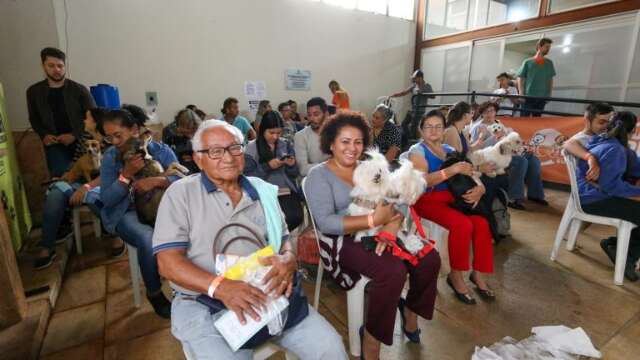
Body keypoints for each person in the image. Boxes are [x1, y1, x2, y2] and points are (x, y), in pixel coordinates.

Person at [153, 119, 348, 359]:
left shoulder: (262, 190)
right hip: (203, 300)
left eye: (235, 147)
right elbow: (168, 263)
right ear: (198, 159)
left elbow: (285, 238)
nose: (228, 157)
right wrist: (221, 287)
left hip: (266, 293)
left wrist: (288, 258)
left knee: (331, 349)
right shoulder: (181, 194)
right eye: (215, 151)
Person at [305, 112, 441, 359]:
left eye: (358, 142)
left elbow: (397, 196)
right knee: (392, 271)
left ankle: (410, 314)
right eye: (345, 141)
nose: (352, 148)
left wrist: (391, 224)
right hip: (341, 240)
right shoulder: (319, 175)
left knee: (429, 258)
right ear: (331, 143)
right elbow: (325, 222)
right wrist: (372, 220)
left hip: (383, 228)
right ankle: (370, 338)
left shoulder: (372, 167)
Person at [98, 109, 179, 318]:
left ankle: (185, 284)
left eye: (118, 135)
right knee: (146, 237)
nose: (114, 142)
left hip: (160, 208)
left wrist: (158, 180)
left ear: (134, 130)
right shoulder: (110, 158)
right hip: (125, 211)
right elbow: (107, 199)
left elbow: (184, 181)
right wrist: (125, 176)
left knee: (189, 228)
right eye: (109, 137)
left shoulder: (160, 151)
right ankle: (154, 293)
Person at [409, 110, 494, 305]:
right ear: (421, 130)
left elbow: (469, 171)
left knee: (481, 222)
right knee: (462, 225)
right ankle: (456, 276)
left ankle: (478, 274)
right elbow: (422, 183)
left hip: (452, 199)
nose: (433, 130)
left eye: (438, 126)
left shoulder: (448, 148)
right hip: (427, 200)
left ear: (443, 129)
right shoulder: (418, 151)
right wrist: (451, 170)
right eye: (428, 126)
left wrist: (480, 188)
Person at [33, 108, 122, 269]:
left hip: (104, 182)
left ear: (96, 122)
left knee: (95, 197)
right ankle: (47, 246)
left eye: (87, 119)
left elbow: (113, 172)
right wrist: (65, 176)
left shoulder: (112, 141)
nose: (83, 121)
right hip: (79, 180)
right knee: (55, 194)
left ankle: (117, 234)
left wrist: (86, 187)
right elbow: (76, 162)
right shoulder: (84, 139)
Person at [577, 112, 640, 281]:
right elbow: (612, 187)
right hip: (594, 199)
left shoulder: (606, 141)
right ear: (633, 131)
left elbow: (633, 165)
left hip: (591, 195)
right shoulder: (616, 150)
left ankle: (616, 245)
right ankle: (626, 256)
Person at [27, 47, 96, 177]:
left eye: (60, 66)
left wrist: (74, 135)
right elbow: (34, 118)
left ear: (65, 66)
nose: (57, 70)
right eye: (51, 66)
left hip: (82, 143)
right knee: (61, 177)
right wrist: (44, 135)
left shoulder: (79, 90)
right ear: (43, 66)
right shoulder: (33, 92)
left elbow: (93, 116)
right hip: (55, 145)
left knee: (86, 175)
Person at [471, 101, 547, 210]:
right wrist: (494, 138)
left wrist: (519, 147)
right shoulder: (478, 127)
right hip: (491, 156)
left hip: (506, 152)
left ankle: (535, 194)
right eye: (485, 112)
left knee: (533, 158)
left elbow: (508, 140)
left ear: (495, 112)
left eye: (491, 111)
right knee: (521, 161)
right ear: (481, 113)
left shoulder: (499, 123)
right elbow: (476, 149)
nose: (489, 114)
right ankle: (513, 197)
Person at [244, 111, 304, 231]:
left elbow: (294, 174)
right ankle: (276, 241)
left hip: (285, 191)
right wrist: (267, 167)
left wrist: (291, 165)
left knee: (295, 217)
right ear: (262, 130)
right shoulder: (251, 148)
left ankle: (280, 239)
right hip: (263, 193)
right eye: (271, 133)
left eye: (278, 133)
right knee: (270, 222)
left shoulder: (285, 144)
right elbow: (248, 178)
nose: (275, 137)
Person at [390, 69, 435, 142]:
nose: (414, 79)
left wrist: (423, 92)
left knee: (414, 127)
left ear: (420, 78)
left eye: (415, 78)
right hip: (413, 109)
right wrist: (395, 95)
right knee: (404, 124)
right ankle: (408, 138)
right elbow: (404, 92)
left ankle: (413, 140)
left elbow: (433, 96)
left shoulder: (427, 86)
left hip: (419, 111)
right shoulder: (414, 85)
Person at [517, 38, 556, 117]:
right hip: (528, 96)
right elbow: (520, 78)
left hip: (542, 97)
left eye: (549, 47)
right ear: (539, 46)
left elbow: (550, 79)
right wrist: (521, 94)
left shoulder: (549, 63)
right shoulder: (527, 62)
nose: (548, 49)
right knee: (524, 119)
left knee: (537, 119)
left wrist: (549, 94)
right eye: (546, 47)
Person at [294, 97, 331, 177]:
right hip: (312, 179)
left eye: (316, 114)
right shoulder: (300, 136)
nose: (312, 118)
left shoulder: (336, 133)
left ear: (326, 114)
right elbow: (303, 169)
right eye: (309, 115)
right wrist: (331, 165)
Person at [164, 109, 202, 174]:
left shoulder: (200, 134)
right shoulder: (170, 135)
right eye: (188, 132)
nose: (191, 136)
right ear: (179, 128)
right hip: (180, 171)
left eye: (194, 132)